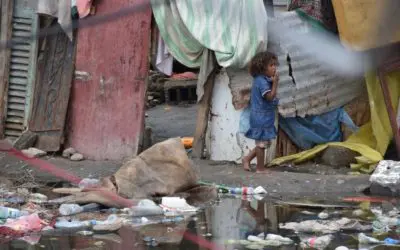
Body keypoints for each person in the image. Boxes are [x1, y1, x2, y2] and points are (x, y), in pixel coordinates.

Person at [242, 52, 279, 173]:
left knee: (262, 143)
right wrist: (275, 83)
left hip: (264, 116)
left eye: (275, 65)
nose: (274, 67)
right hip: (260, 117)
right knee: (261, 144)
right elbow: (269, 97)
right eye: (271, 65)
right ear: (262, 68)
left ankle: (247, 159)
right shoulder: (261, 82)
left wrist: (272, 81)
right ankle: (260, 168)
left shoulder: (264, 79)